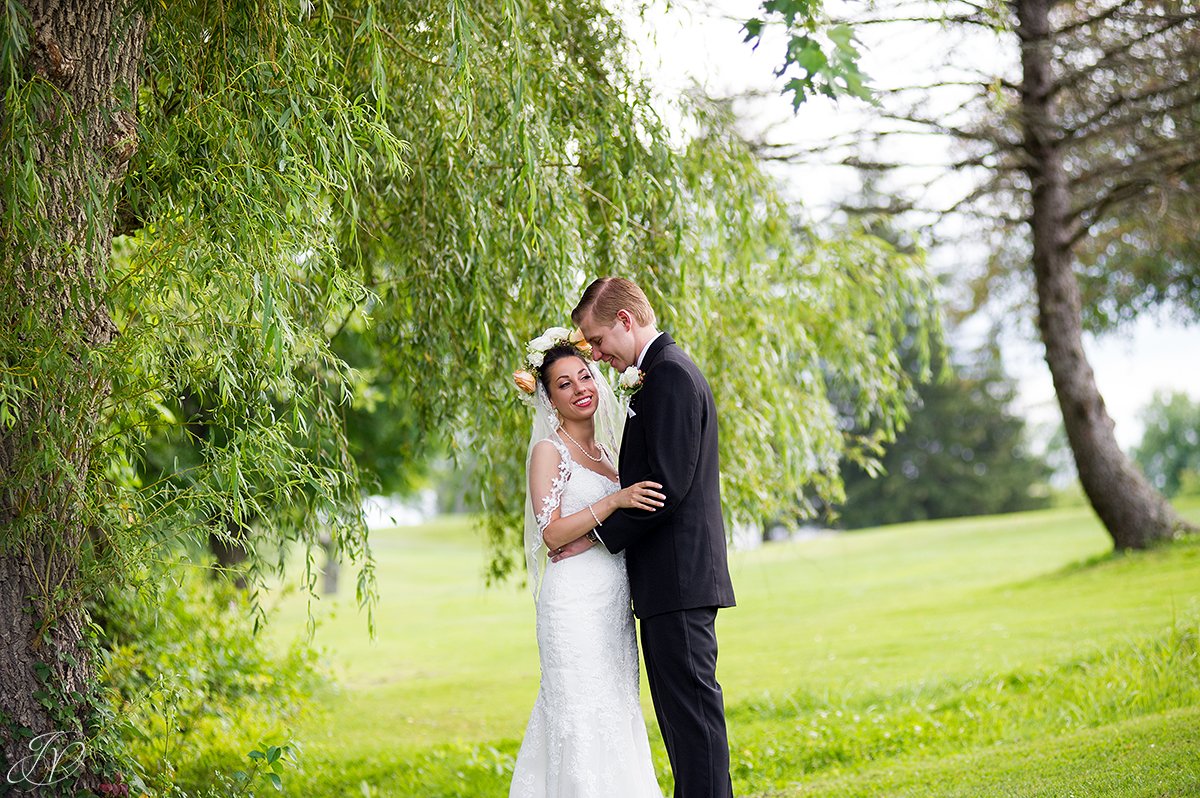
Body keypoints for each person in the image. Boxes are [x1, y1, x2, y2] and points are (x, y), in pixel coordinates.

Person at [553, 277, 736, 798]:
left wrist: (598, 536)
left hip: (678, 578)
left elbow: (666, 488)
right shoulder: (657, 374)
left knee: (693, 720)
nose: (596, 353)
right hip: (669, 581)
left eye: (596, 339)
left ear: (626, 321)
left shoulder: (669, 377)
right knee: (682, 721)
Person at [509, 329, 668, 798]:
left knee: (616, 711)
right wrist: (615, 500)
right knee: (578, 712)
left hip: (612, 603)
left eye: (585, 376)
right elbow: (552, 533)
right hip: (572, 606)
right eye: (564, 384)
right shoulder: (548, 452)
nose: (581, 389)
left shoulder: (607, 452)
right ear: (548, 398)